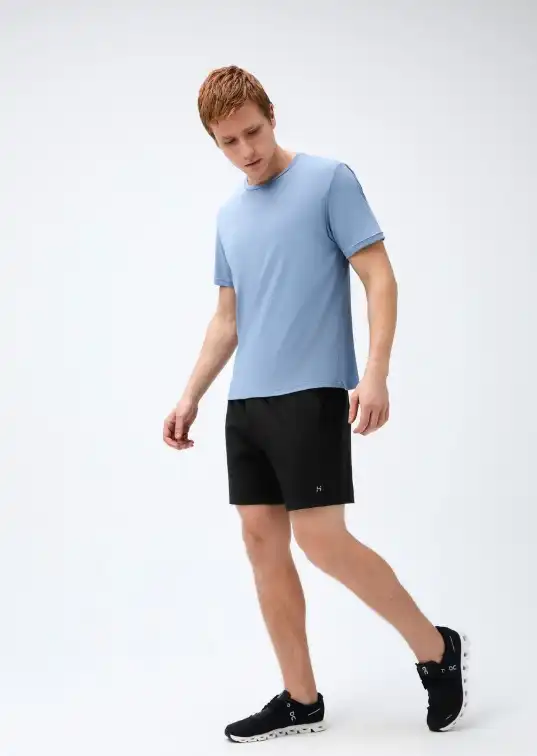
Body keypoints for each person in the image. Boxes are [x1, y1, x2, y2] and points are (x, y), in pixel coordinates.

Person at [163, 65, 469, 744]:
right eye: (229, 142)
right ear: (214, 142)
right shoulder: (229, 216)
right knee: (260, 543)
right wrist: (190, 394)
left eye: (253, 132)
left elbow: (378, 276)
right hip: (247, 403)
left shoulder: (329, 180)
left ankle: (436, 649)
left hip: (312, 393)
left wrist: (376, 373)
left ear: (271, 115)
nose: (246, 149)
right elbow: (227, 319)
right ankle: (300, 699)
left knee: (322, 541)